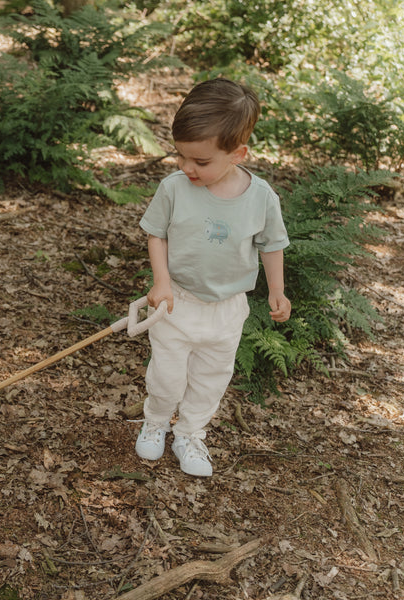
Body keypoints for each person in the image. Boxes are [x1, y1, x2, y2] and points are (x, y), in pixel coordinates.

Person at [135, 78, 291, 477]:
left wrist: (277, 290)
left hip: (227, 310)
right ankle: (155, 421)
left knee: (210, 381)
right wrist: (162, 282)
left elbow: (272, 244)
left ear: (238, 154)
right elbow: (157, 234)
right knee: (167, 377)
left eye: (201, 162)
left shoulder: (261, 197)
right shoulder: (174, 188)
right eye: (181, 157)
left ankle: (189, 433)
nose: (188, 168)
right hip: (177, 303)